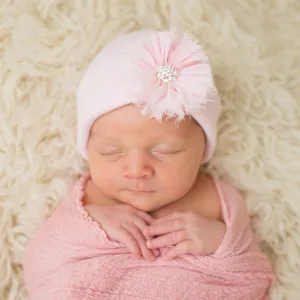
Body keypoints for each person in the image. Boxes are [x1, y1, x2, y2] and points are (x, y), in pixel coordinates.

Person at [23, 29, 274, 299]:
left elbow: (255, 277)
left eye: (165, 151)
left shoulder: (218, 200)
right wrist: (91, 225)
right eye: (112, 152)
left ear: (202, 148)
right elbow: (39, 266)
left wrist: (219, 241)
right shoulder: (88, 200)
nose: (136, 170)